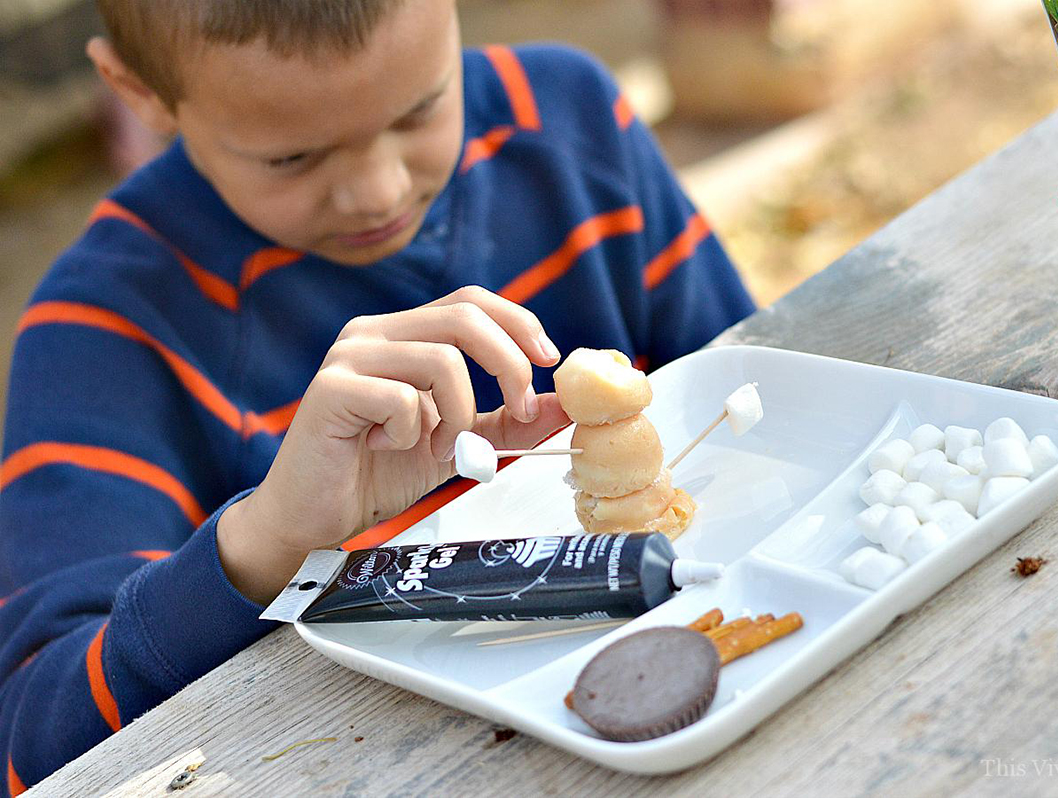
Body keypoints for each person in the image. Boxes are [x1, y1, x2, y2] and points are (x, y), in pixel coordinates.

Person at [0, 1, 754, 791]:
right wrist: (266, 545)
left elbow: (747, 403)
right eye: (291, 157)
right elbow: (37, 746)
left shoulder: (568, 123)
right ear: (140, 91)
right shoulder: (100, 333)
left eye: (422, 108)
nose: (378, 191)